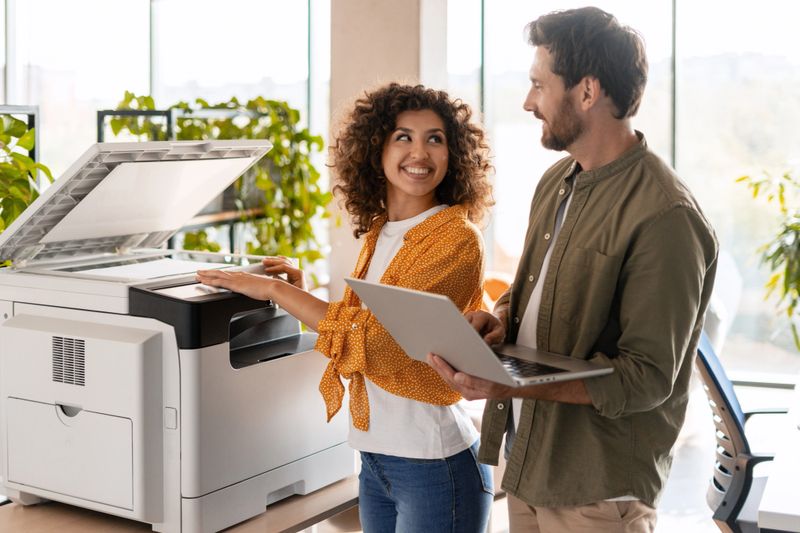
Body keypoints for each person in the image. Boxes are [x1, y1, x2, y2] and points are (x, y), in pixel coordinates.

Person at [427, 7, 718, 533]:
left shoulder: (665, 216)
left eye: (540, 84)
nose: (528, 101)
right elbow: (532, 294)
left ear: (587, 92)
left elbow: (648, 378)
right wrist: (499, 319)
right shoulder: (558, 179)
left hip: (597, 491)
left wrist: (509, 387)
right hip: (529, 464)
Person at [197, 83, 495, 533]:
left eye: (436, 138)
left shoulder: (455, 237)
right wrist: (302, 296)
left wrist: (276, 292)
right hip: (376, 459)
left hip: (434, 463)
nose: (421, 152)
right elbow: (366, 322)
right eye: (404, 137)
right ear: (376, 148)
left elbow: (381, 343)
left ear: (454, 154)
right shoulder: (381, 231)